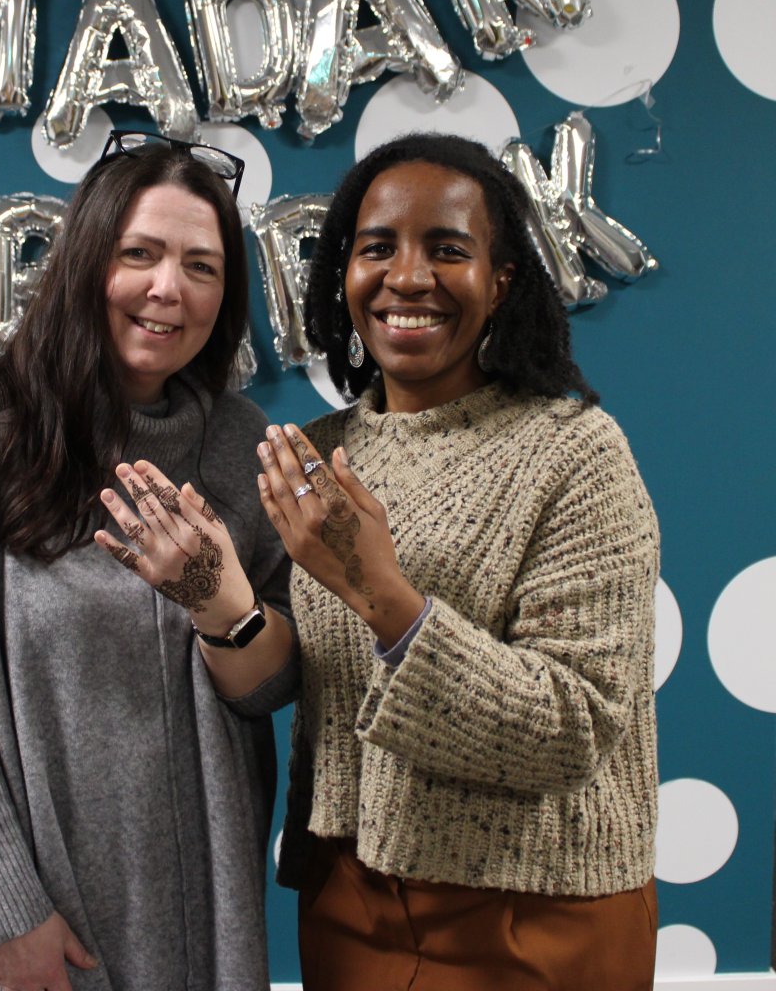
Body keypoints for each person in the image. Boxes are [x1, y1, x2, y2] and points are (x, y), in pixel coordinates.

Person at [0, 129, 297, 991]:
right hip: (19, 926)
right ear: (88, 262)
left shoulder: (245, 448)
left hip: (196, 912)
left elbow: (274, 686)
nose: (168, 288)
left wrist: (223, 607)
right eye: (140, 253)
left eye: (202, 266)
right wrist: (7, 910)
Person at [254, 133, 660, 991]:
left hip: (533, 917)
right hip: (347, 902)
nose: (407, 277)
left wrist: (383, 596)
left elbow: (576, 726)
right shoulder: (316, 456)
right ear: (344, 275)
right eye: (377, 249)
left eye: (447, 249)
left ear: (500, 281)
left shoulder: (575, 453)